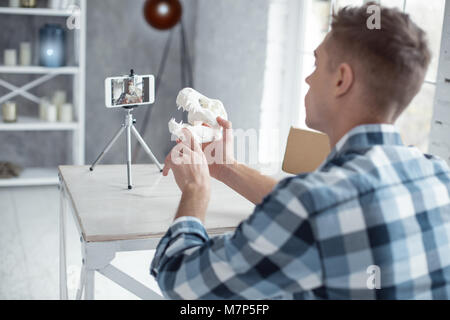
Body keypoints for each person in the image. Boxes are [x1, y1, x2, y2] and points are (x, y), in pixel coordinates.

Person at [150, 3, 450, 299]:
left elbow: (181, 282)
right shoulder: (440, 177)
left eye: (317, 64)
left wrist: (195, 188)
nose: (308, 78)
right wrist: (226, 167)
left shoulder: (311, 205)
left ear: (341, 80)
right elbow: (324, 207)